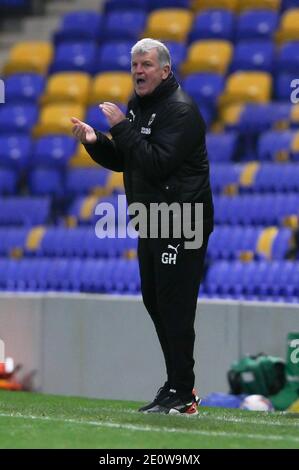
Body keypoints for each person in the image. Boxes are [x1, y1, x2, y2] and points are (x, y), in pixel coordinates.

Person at [71, 38, 214, 416]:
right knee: (157, 302)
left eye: (146, 64)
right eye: (134, 64)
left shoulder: (180, 111)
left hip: (183, 222)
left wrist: (120, 127)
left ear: (165, 71)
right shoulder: (140, 108)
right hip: (152, 222)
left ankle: (182, 391)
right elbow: (127, 160)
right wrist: (96, 141)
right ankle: (177, 386)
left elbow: (156, 163)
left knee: (175, 307)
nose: (138, 70)